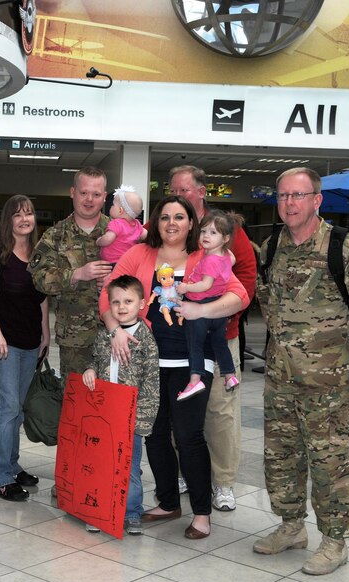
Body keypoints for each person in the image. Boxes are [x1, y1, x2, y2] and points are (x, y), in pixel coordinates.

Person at [253, 167, 349, 575]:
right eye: (283, 196)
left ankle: (335, 540)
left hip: (328, 383)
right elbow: (267, 298)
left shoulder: (342, 247)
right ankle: (291, 526)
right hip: (281, 377)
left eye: (298, 195)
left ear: (317, 200)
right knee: (281, 456)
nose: (289, 203)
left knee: (330, 460)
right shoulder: (272, 244)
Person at [100, 195, 249, 539]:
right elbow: (109, 294)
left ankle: (201, 514)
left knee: (188, 434)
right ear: (155, 221)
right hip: (148, 361)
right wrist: (114, 330)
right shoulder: (138, 254)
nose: (171, 223)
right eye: (165, 216)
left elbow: (238, 294)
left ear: (191, 223)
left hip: (192, 361)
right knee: (153, 432)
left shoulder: (207, 256)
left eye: (179, 217)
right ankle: (168, 501)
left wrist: (201, 311)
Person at [169, 165, 256, 511]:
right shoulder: (170, 226)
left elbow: (246, 279)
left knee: (220, 411)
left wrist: (215, 311)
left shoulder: (228, 231)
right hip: (178, 338)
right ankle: (184, 473)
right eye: (173, 191)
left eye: (185, 191)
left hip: (220, 334)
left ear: (202, 192)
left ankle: (222, 483)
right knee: (180, 408)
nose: (178, 197)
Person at [0, 194, 50, 502]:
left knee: (17, 410)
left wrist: (46, 334)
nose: (25, 219)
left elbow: (43, 297)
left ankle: (10, 464)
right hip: (4, 342)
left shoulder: (38, 253)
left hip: (30, 340)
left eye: (30, 214)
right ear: (8, 219)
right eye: (18, 214)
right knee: (6, 409)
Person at [83, 275, 159, 535]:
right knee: (102, 464)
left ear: (141, 304)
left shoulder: (146, 340)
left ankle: (132, 512)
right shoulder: (106, 335)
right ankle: (100, 511)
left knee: (130, 468)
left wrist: (141, 421)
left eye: (128, 301)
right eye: (116, 302)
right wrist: (91, 370)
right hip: (105, 416)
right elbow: (97, 360)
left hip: (131, 419)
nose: (121, 307)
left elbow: (151, 382)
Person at [28, 166, 111, 383]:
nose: (89, 199)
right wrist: (75, 275)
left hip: (115, 335)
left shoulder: (118, 233)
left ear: (105, 197)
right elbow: (38, 279)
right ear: (72, 192)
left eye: (96, 194)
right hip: (75, 341)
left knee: (115, 408)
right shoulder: (55, 236)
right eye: (84, 193)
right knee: (77, 408)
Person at [176, 210, 240, 401]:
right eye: (203, 231)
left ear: (225, 237)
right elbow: (233, 260)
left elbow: (206, 284)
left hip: (201, 307)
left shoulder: (211, 260)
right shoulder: (226, 255)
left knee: (195, 344)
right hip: (217, 311)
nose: (206, 236)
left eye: (213, 233)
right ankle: (230, 376)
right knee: (219, 343)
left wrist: (186, 287)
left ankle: (195, 380)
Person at [96, 184, 147, 265]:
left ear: (120, 210)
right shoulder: (137, 224)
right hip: (128, 262)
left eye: (113, 205)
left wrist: (99, 241)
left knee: (104, 277)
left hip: (112, 263)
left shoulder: (116, 223)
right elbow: (147, 235)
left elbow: (108, 239)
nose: (111, 207)